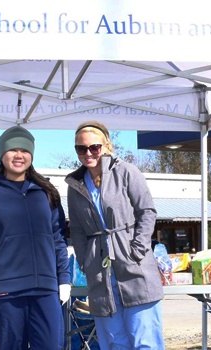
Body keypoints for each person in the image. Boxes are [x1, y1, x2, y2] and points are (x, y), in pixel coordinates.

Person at [0, 126, 71, 349]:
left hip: (46, 288)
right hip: (6, 289)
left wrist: (64, 278)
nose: (19, 155)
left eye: (25, 150)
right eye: (13, 150)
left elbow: (58, 238)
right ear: (2, 153)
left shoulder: (46, 191)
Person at [65, 120, 165, 349]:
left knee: (145, 342)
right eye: (81, 148)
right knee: (113, 343)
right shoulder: (75, 185)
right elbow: (77, 229)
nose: (88, 153)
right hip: (100, 274)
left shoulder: (127, 172)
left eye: (94, 147)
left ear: (106, 145)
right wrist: (84, 260)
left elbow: (147, 212)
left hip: (135, 270)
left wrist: (137, 250)